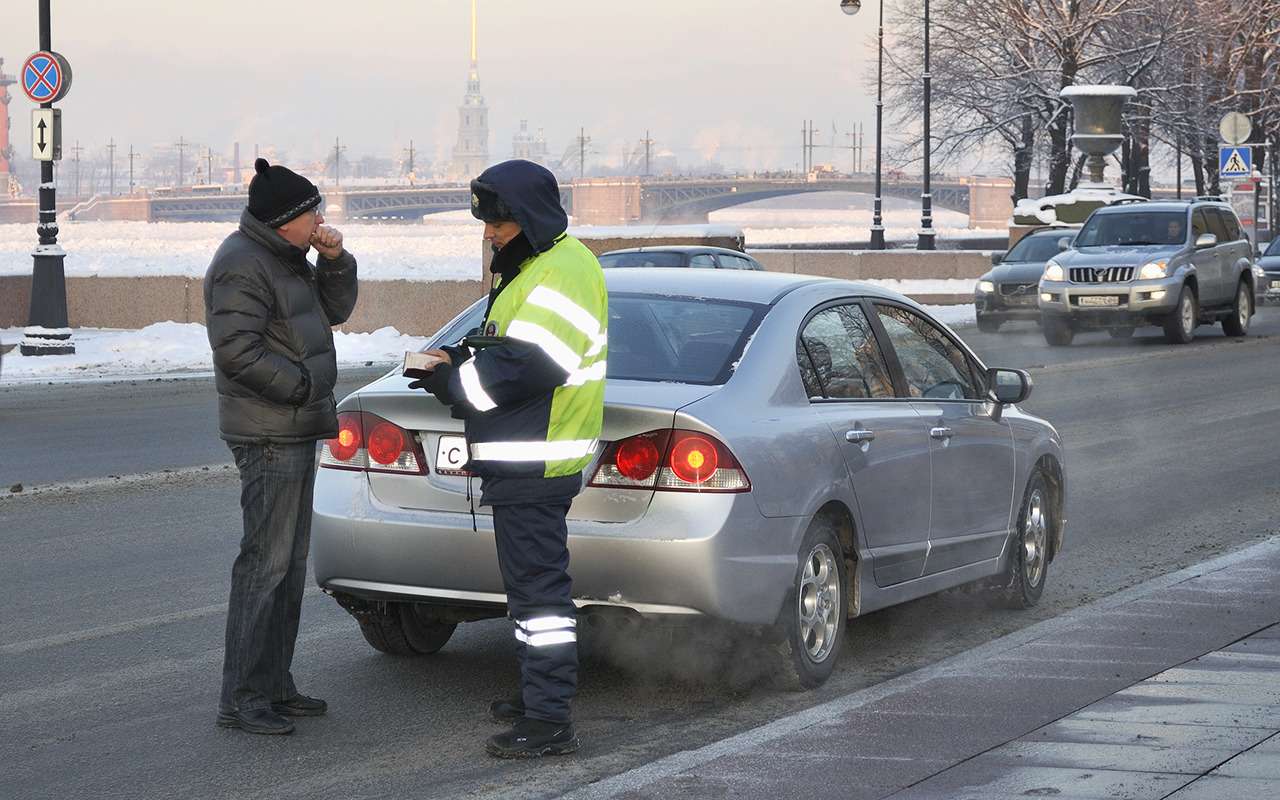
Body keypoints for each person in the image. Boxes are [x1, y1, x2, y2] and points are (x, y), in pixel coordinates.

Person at [410, 159, 607, 758]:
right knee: (529, 594)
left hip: (536, 461)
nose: (489, 233)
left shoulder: (562, 271)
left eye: (497, 222)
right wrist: (458, 357)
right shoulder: (540, 267)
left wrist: (452, 384)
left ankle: (549, 721)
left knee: (540, 597)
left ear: (526, 217)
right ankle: (536, 696)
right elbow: (507, 351)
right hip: (523, 459)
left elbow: (527, 368)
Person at [204, 158, 358, 735]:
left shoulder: (284, 257)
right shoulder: (242, 265)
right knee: (263, 567)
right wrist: (301, 388)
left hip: (293, 425)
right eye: (312, 210)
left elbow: (333, 312)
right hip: (269, 430)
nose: (320, 218)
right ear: (286, 218)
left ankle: (274, 684)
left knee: (289, 567)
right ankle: (242, 697)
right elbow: (236, 350)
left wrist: (335, 261)